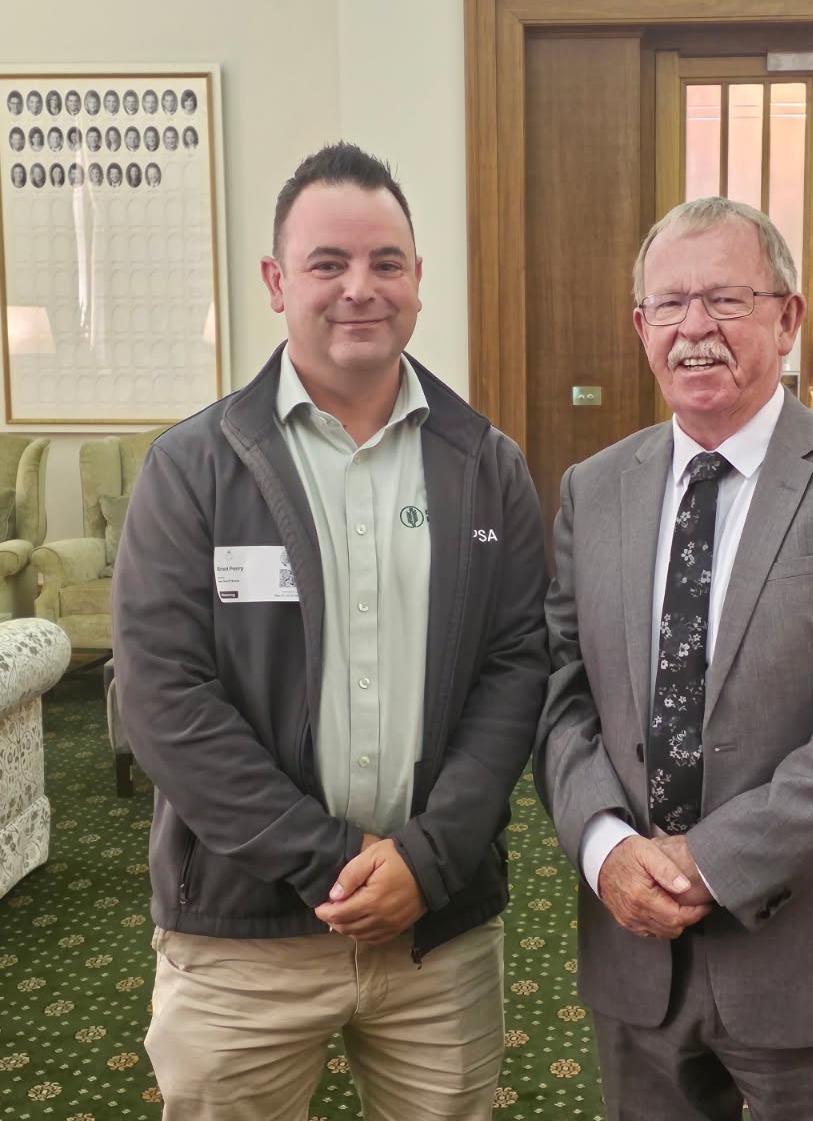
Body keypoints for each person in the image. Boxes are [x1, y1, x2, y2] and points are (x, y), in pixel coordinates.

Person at [112, 142, 548, 1121]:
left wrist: (426, 862)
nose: (360, 288)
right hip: (242, 941)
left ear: (418, 280)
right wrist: (332, 864)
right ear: (277, 282)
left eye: (386, 262)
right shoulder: (193, 469)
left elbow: (516, 670)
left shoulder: (487, 466)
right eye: (328, 263)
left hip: (436, 935)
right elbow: (164, 699)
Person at [535, 196, 813, 1121]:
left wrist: (711, 862)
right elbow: (562, 693)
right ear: (641, 327)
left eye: (726, 299)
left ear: (787, 319)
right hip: (637, 951)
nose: (695, 329)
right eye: (670, 305)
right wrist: (604, 848)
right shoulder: (592, 492)